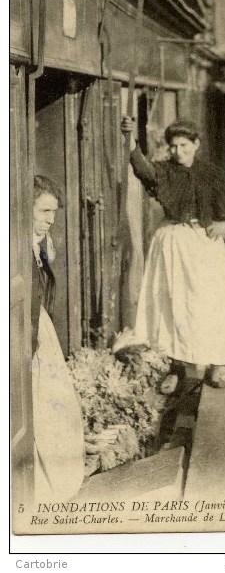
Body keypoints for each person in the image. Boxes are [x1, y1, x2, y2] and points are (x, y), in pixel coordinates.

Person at [119, 118, 225, 391]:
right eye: (174, 146)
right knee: (174, 304)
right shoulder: (164, 172)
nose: (179, 151)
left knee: (211, 303)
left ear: (196, 145)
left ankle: (218, 363)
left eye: (184, 146)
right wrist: (131, 143)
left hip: (204, 242)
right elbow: (142, 170)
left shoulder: (211, 173)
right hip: (173, 243)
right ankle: (176, 367)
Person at [31, 175, 85, 500]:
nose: (51, 219)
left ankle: (55, 478)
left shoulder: (41, 242)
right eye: (44, 211)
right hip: (23, 328)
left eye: (54, 212)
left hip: (38, 327)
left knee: (53, 402)